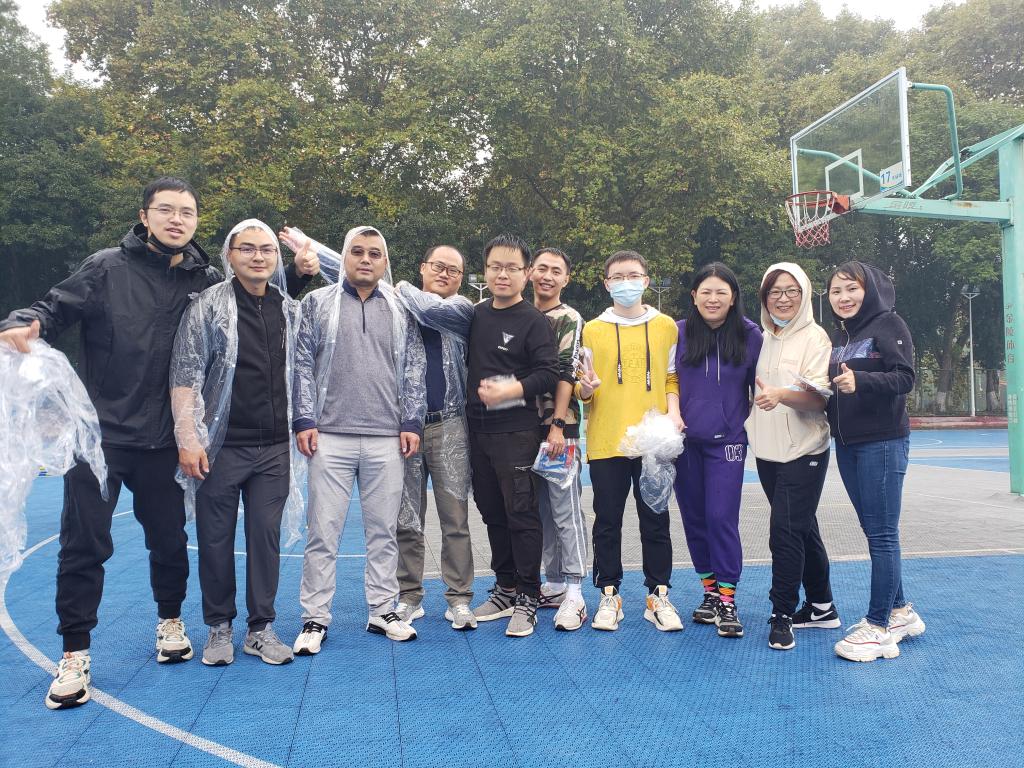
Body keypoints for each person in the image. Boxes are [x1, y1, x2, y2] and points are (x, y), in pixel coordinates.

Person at [0, 178, 314, 710]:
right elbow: (53, 307)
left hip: (168, 440)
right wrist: (23, 323)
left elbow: (263, 302)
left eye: (186, 212)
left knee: (169, 541)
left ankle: (170, 622)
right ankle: (74, 652)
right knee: (84, 545)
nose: (176, 219)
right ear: (145, 216)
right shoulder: (106, 268)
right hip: (103, 438)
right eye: (165, 210)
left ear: (197, 222)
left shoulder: (204, 280)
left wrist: (301, 276)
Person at [170, 219, 306, 667]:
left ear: (276, 257)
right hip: (221, 446)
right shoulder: (208, 306)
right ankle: (219, 625)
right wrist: (188, 437)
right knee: (214, 538)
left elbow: (303, 371)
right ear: (230, 255)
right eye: (247, 248)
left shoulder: (288, 308)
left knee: (265, 538)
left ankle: (260, 628)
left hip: (273, 448)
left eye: (267, 249)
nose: (258, 256)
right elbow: (186, 374)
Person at [290, 226, 426, 653]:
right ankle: (315, 617)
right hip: (329, 435)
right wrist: (304, 418)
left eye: (375, 254)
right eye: (358, 252)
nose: (366, 260)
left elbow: (414, 367)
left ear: (385, 262)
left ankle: (382, 609)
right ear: (344, 257)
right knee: (322, 532)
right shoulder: (317, 303)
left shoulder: (400, 308)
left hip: (387, 436)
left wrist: (412, 421)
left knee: (383, 531)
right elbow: (301, 363)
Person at [577, 250, 685, 633]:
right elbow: (583, 388)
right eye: (618, 277)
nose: (626, 282)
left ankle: (658, 595)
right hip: (606, 441)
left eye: (633, 275)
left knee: (655, 519)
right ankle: (609, 594)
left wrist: (674, 412)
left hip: (653, 443)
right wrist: (586, 389)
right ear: (606, 283)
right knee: (607, 521)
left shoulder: (666, 326)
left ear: (646, 280)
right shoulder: (591, 330)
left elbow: (671, 376)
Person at [826, 261, 925, 662]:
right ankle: (900, 611)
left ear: (871, 290)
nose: (843, 297)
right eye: (836, 291)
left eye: (852, 288)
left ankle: (878, 626)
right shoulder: (841, 336)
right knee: (873, 529)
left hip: (882, 443)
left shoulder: (889, 324)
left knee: (883, 534)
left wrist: (860, 381)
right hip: (847, 444)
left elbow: (905, 378)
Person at [466, 234, 558, 638]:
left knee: (521, 513)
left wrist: (511, 390)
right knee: (491, 512)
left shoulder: (533, 321)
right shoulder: (475, 315)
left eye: (511, 268)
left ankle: (528, 595)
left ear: (526, 273)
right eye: (495, 267)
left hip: (517, 433)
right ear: (485, 271)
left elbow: (549, 373)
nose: (502, 274)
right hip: (477, 432)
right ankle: (504, 588)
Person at [745, 262, 837, 651]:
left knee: (784, 531)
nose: (783, 299)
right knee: (801, 527)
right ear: (764, 298)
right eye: (774, 292)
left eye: (791, 291)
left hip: (805, 450)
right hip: (768, 452)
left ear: (804, 294)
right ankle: (822, 607)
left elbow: (818, 399)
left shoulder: (816, 339)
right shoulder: (761, 338)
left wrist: (781, 394)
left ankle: (782, 613)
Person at [390, 246, 478, 632]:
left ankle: (459, 597)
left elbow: (429, 310)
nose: (445, 274)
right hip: (404, 427)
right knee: (406, 517)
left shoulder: (461, 311)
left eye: (453, 270)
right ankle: (409, 595)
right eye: (438, 266)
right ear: (423, 267)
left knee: (455, 518)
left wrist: (402, 286)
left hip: (450, 425)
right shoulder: (396, 309)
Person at [674, 262, 762, 639]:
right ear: (694, 296)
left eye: (721, 292)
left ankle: (728, 599)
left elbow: (762, 387)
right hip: (684, 443)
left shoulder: (750, 336)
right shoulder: (677, 333)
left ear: (733, 297)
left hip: (728, 443)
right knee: (694, 518)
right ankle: (709, 593)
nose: (713, 299)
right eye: (706, 292)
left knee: (720, 517)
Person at [529, 247, 589, 631]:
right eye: (542, 269)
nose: (547, 276)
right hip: (524, 428)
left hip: (557, 430)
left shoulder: (569, 318)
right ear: (530, 272)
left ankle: (576, 592)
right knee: (541, 513)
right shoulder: (521, 314)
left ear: (566, 278)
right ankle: (552, 583)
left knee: (566, 511)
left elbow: (567, 372)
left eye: (556, 271)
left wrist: (558, 425)